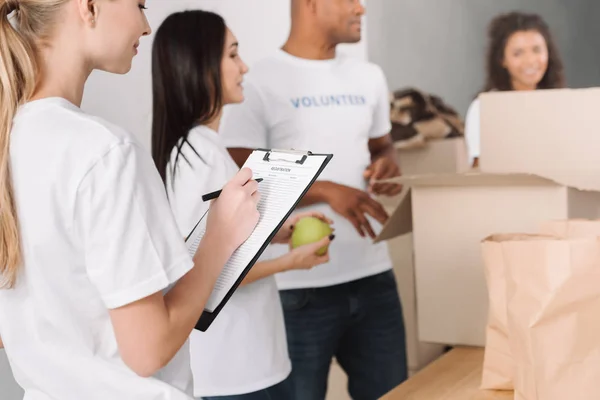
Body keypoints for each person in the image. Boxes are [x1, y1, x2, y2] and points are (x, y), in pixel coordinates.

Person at [0, 1, 261, 399]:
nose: (145, 25)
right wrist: (219, 235)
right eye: (139, 5)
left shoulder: (11, 141)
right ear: (88, 7)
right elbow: (147, 350)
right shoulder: (105, 152)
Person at [220, 0, 408, 399]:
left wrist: (387, 164)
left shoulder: (369, 76)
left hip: (375, 277)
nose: (361, 9)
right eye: (349, 0)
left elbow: (383, 146)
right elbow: (242, 184)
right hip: (298, 289)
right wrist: (325, 190)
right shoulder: (256, 81)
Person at [151, 10, 333, 400]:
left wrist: (281, 231)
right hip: (231, 371)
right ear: (200, 67)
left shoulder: (209, 150)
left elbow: (230, 243)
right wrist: (291, 262)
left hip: (254, 359)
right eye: (232, 55)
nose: (244, 66)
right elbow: (201, 272)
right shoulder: (194, 160)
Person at [465, 11, 566, 167]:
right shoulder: (484, 109)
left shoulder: (563, 104)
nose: (530, 61)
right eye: (518, 53)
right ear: (502, 60)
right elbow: (480, 170)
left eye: (537, 50)